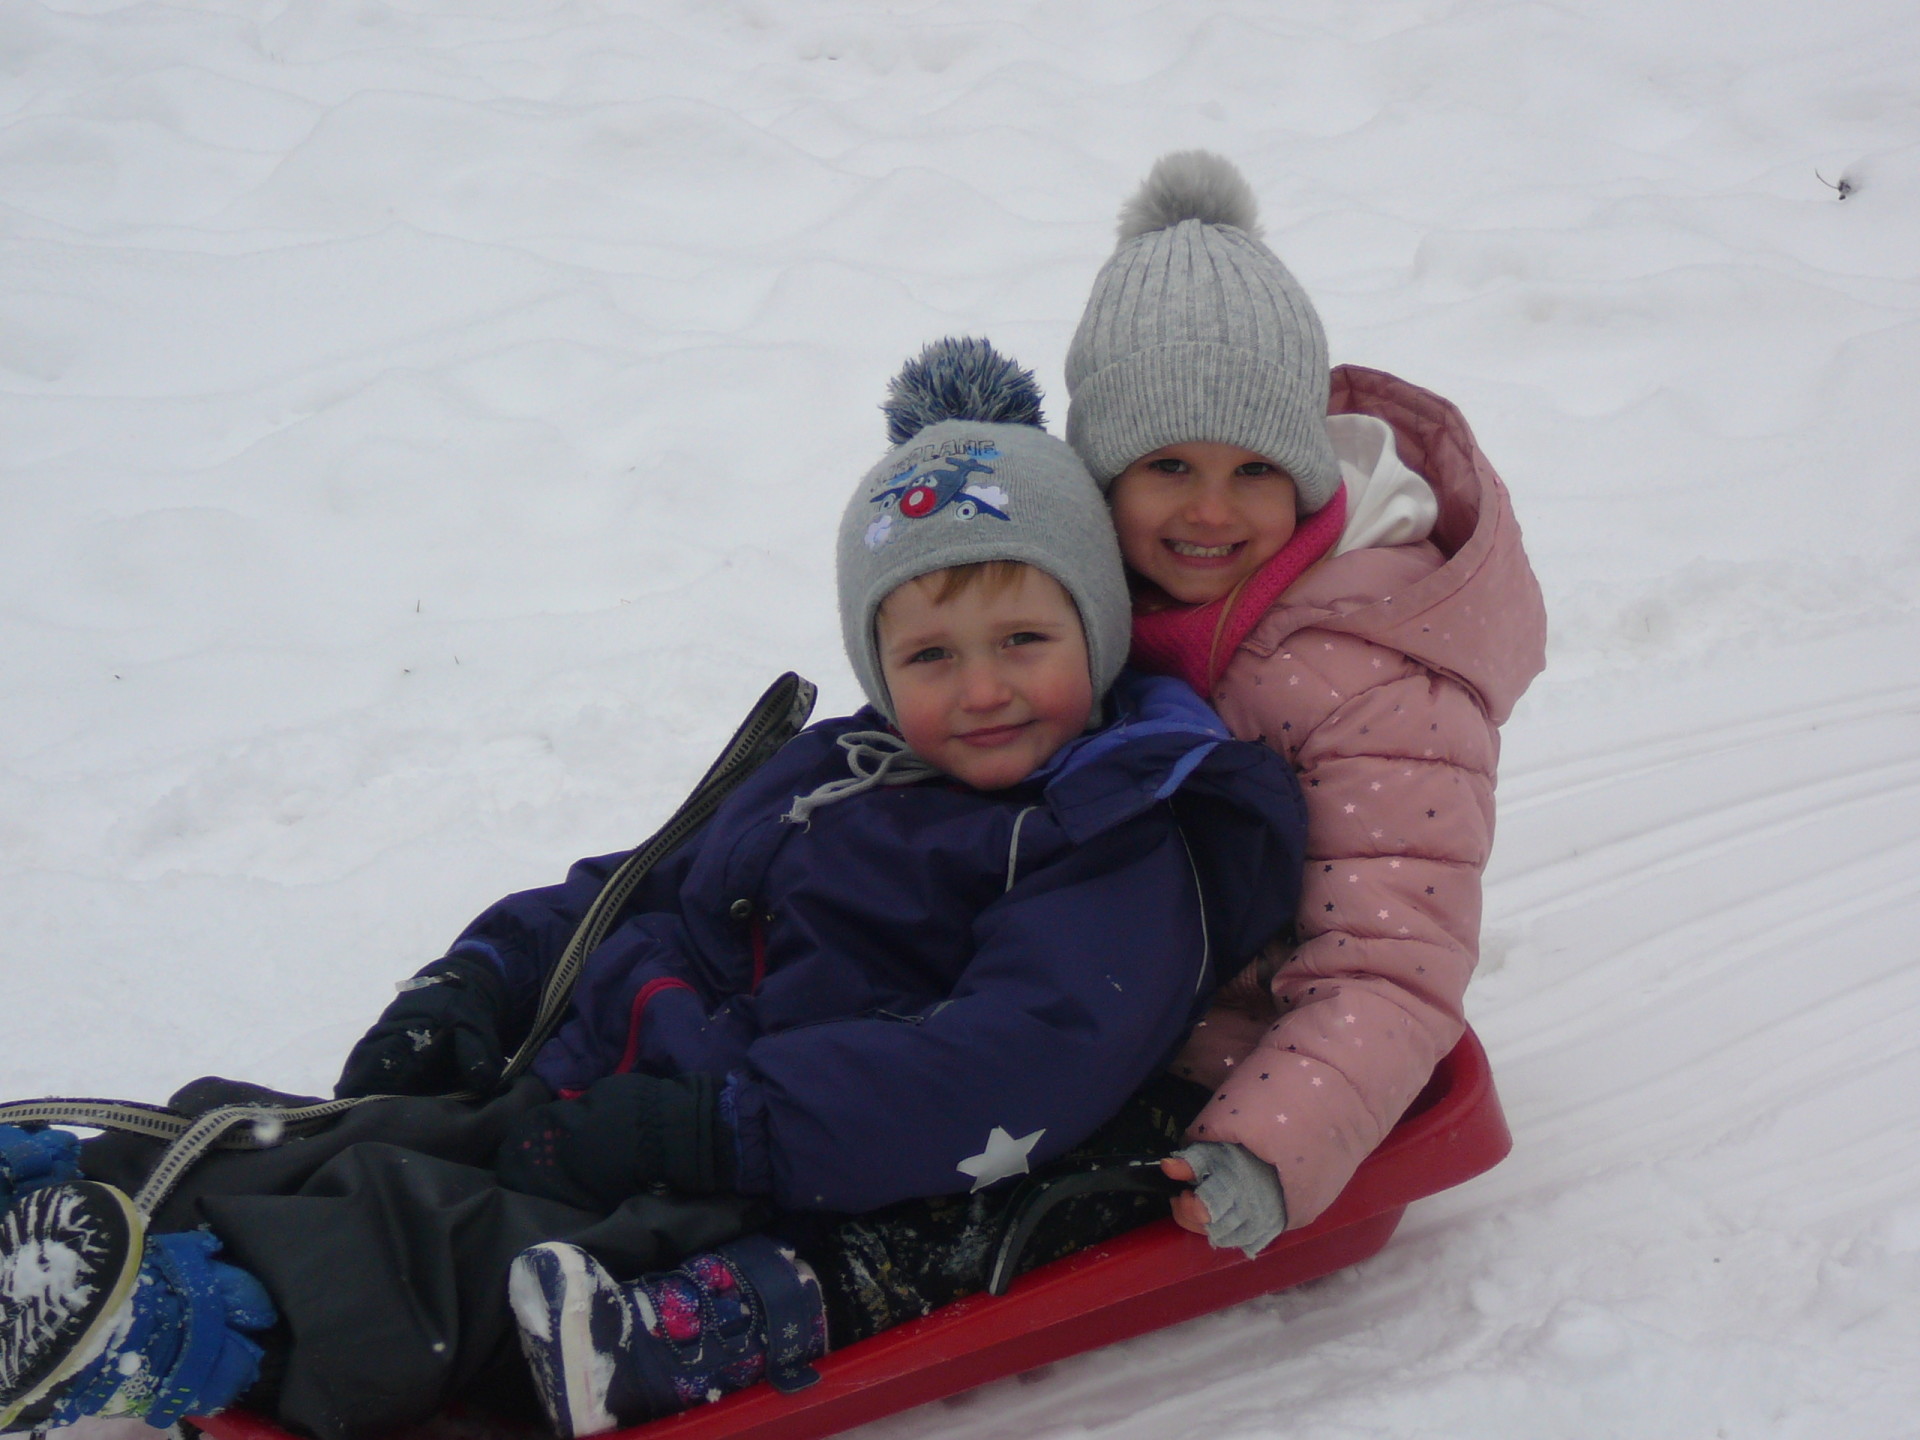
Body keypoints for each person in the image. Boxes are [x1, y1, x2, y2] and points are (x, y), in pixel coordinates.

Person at [0, 339, 1309, 1440]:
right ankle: (80, 1201)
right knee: (328, 1138)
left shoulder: (1110, 831)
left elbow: (1016, 1057)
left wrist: (720, 1131)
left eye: (1025, 639)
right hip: (599, 1090)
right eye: (930, 655)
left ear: (1099, 628)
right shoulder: (840, 765)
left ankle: (192, 1327)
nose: (981, 689)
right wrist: (478, 979)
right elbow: (636, 887)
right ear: (877, 662)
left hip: (761, 1172)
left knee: (441, 1245)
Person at [1062, 152, 1548, 1252]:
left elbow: (1394, 962)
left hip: (1230, 1051)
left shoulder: (1374, 679)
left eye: (1254, 470)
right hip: (1087, 981)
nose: (1210, 512)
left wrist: (1271, 1142)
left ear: (1308, 473)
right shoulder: (1090, 604)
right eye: (1167, 466)